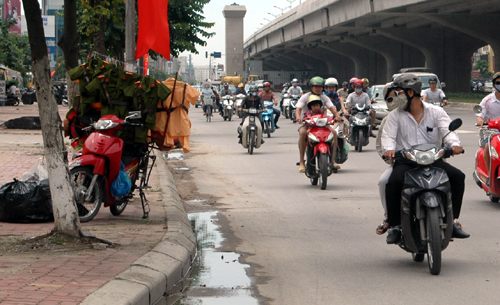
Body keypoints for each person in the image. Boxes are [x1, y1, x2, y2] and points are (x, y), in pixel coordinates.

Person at [382, 73, 469, 244]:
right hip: (406, 161)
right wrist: (389, 150)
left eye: (399, 93)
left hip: (433, 159)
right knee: (391, 182)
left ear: (411, 93)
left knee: (458, 176)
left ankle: (454, 221)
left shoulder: (436, 112)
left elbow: (448, 131)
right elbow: (388, 137)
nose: (395, 97)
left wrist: (454, 145)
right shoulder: (395, 116)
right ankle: (395, 226)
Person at [296, 76, 342, 173]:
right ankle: (301, 162)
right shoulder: (305, 97)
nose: (318, 88)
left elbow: (332, 107)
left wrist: (337, 115)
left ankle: (333, 160)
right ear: (311, 87)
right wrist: (298, 117)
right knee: (302, 133)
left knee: (334, 133)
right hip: (308, 123)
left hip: (322, 123)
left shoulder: (324, 97)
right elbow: (299, 108)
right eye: (315, 86)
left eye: (320, 86)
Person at [475, 72, 500, 175]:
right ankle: (490, 175)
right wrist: (481, 121)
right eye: (498, 82)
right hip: (492, 134)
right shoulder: (487, 100)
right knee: (487, 148)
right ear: (494, 85)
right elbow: (480, 115)